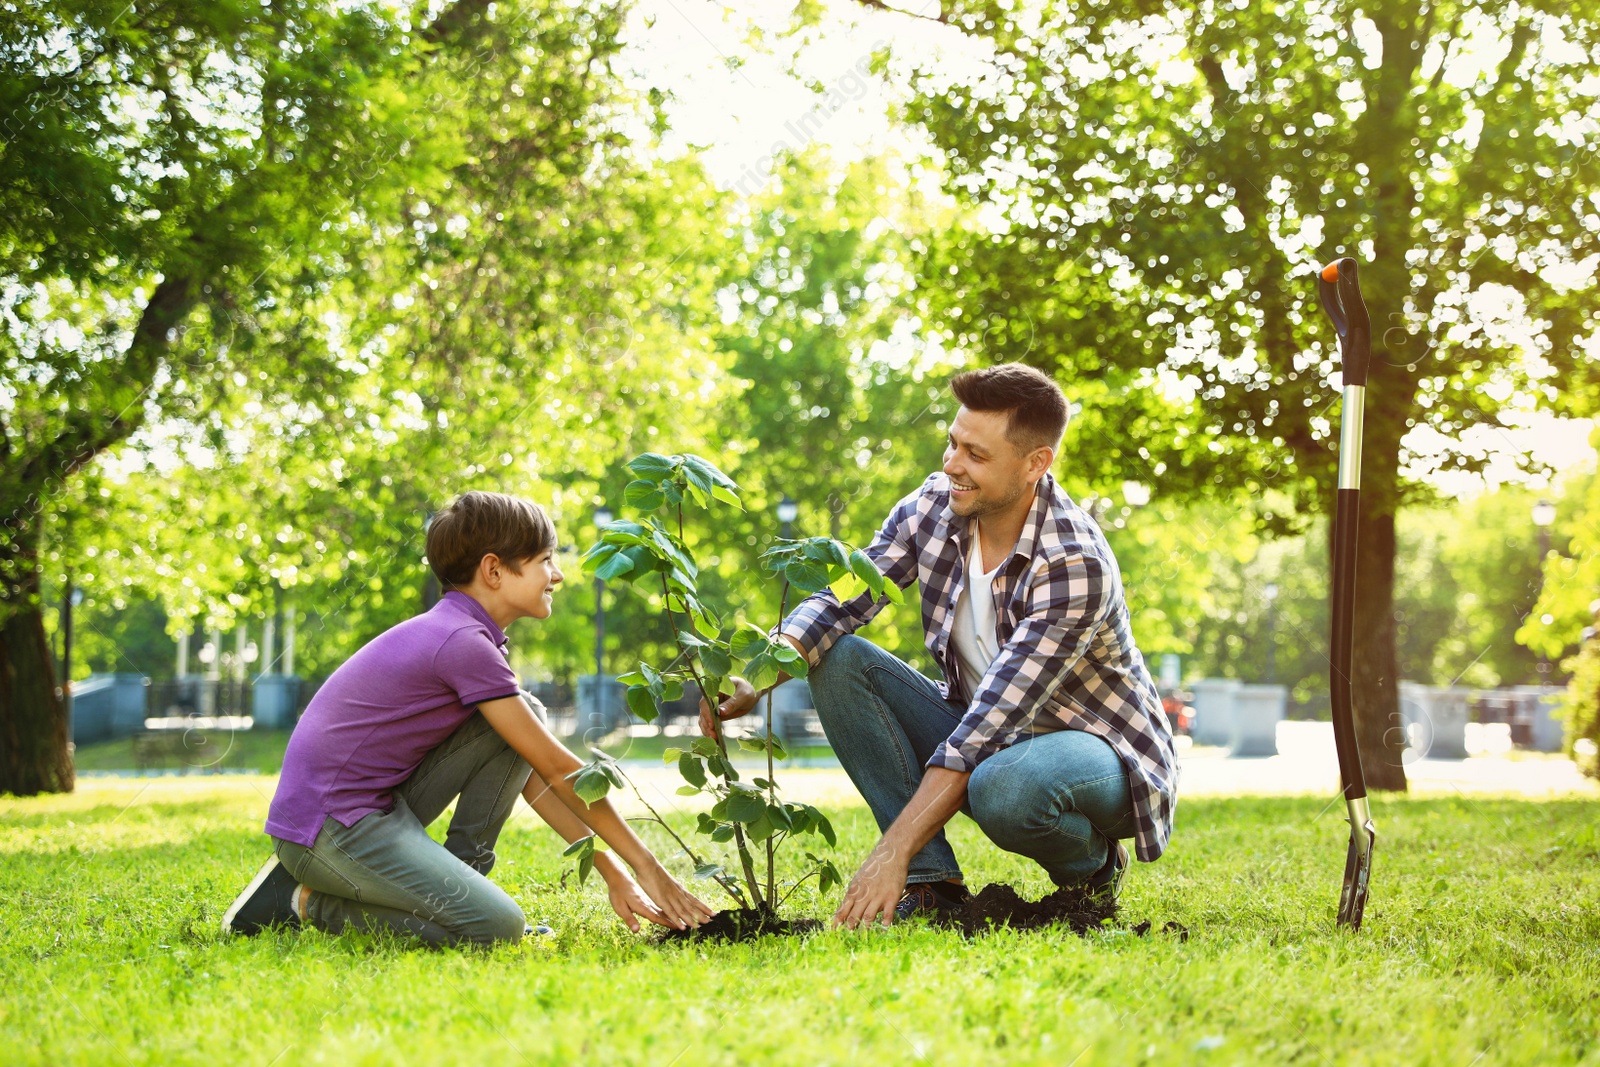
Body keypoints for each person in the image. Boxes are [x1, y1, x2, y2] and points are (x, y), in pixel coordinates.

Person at [704, 363, 1179, 927]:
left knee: (1003, 787)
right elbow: (842, 602)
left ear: (1035, 464)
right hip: (987, 735)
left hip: (1097, 754)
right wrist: (759, 676)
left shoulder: (1073, 561)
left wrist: (890, 852)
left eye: (976, 455)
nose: (952, 464)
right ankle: (933, 887)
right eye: (953, 443)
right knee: (839, 659)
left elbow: (991, 723)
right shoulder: (931, 508)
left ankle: (1091, 874)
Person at [222, 490, 713, 946]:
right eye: (545, 560)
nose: (557, 575)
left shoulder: (464, 633)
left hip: (372, 808)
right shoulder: (461, 642)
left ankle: (463, 885)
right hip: (331, 829)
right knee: (499, 928)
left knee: (530, 716)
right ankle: (297, 902)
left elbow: (535, 771)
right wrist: (647, 866)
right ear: (494, 571)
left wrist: (612, 870)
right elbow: (561, 770)